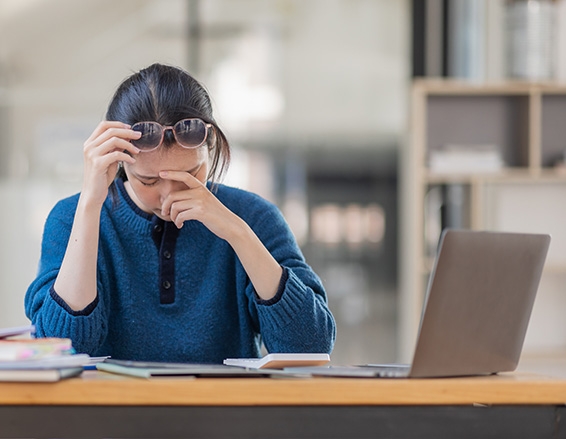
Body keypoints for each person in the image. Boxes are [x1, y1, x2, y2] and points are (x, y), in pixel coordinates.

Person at [25, 63, 335, 363]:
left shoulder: (254, 216)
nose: (169, 195)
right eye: (148, 180)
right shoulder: (72, 218)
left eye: (189, 173)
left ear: (209, 148)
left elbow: (309, 347)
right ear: (117, 161)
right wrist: (91, 205)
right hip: (112, 413)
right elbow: (62, 348)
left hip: (227, 413)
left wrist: (237, 233)